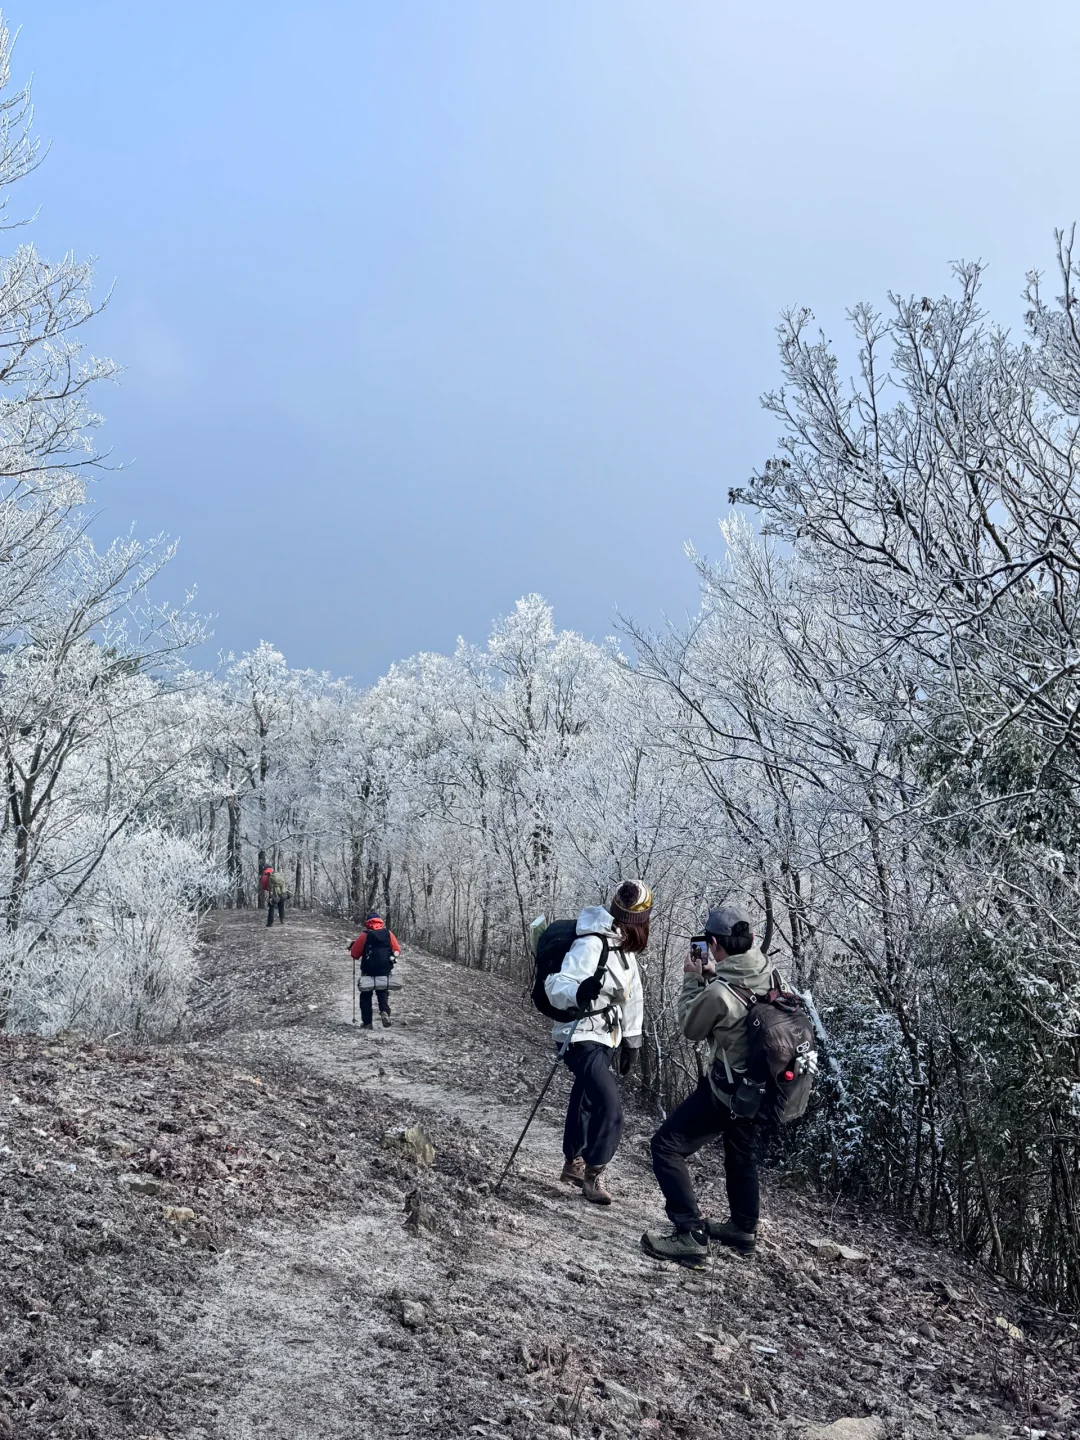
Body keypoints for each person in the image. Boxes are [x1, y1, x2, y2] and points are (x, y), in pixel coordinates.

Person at [641, 903, 777, 1266]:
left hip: (728, 1088)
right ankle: (743, 1230)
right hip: (761, 1087)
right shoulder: (766, 970)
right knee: (741, 1155)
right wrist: (716, 973)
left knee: (667, 1146)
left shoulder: (719, 993)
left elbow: (691, 1027)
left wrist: (692, 978)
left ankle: (689, 1233)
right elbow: (741, 995)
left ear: (714, 943)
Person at [545, 879, 650, 1206]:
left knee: (588, 1094)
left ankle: (572, 1162)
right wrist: (577, 991)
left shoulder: (624, 949)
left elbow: (633, 998)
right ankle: (593, 1173)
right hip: (578, 1034)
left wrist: (632, 1040)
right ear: (638, 922)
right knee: (609, 1103)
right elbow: (555, 985)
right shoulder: (591, 944)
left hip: (606, 1035)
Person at [350, 911, 401, 1028]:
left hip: (368, 971)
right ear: (380, 922)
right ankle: (384, 1011)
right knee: (382, 992)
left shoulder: (365, 935)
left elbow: (355, 954)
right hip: (384, 969)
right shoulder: (388, 934)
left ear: (368, 923)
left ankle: (367, 1023)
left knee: (366, 996)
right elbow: (397, 949)